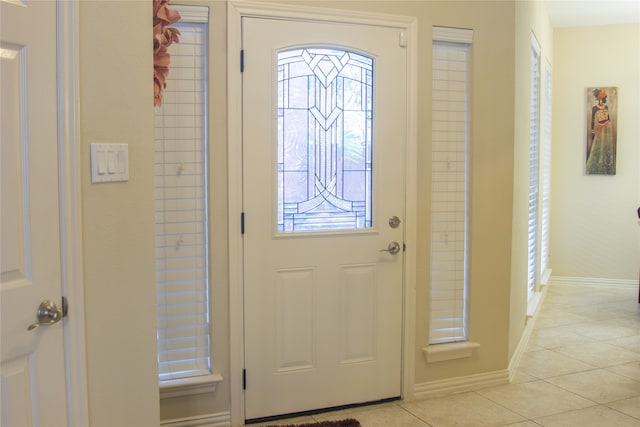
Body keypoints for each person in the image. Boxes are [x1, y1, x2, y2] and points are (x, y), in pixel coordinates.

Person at [586, 88, 616, 174]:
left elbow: (608, 118)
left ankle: (607, 166)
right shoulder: (594, 108)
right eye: (604, 97)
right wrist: (592, 131)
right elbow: (592, 121)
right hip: (600, 129)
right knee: (598, 147)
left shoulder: (606, 107)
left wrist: (610, 127)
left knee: (607, 147)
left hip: (608, 129)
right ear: (600, 98)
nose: (606, 99)